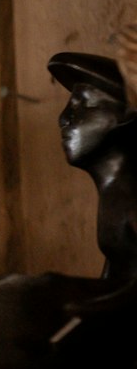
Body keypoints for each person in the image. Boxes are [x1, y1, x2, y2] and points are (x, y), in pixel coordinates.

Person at [49, 51, 137, 284]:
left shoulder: (131, 203)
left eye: (83, 105)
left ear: (126, 114)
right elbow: (117, 272)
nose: (63, 118)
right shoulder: (114, 196)